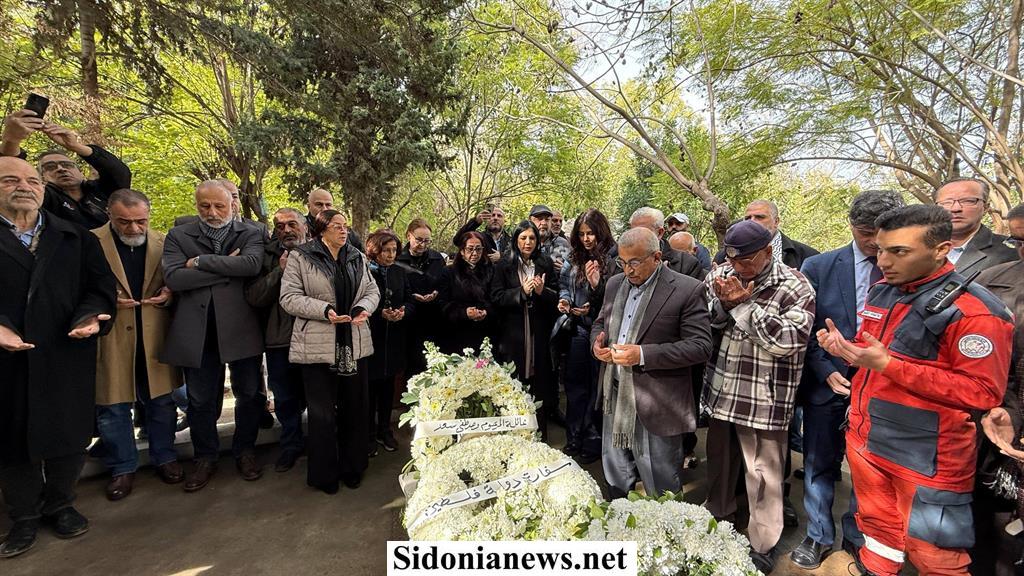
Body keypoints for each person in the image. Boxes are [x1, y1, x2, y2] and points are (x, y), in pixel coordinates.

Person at [818, 204, 1014, 576]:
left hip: (926, 460)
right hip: (867, 442)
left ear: (941, 249)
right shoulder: (883, 291)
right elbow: (871, 350)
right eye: (881, 250)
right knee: (877, 535)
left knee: (935, 556)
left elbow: (982, 392)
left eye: (899, 252)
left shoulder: (976, 312)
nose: (883, 261)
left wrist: (889, 365)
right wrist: (845, 349)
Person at [0, 156, 116, 558]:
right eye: (10, 180)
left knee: (69, 432)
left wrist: (90, 316)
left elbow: (100, 287)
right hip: (7, 359)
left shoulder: (74, 237)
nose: (24, 187)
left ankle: (61, 504)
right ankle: (24, 515)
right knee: (11, 436)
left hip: (65, 349)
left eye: (32, 181)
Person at [790, 190, 904, 569]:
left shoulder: (905, 270)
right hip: (828, 383)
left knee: (868, 470)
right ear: (851, 225)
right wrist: (827, 370)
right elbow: (804, 329)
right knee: (819, 461)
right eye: (864, 232)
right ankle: (818, 534)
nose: (872, 242)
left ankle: (857, 536)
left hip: (883, 387)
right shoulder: (819, 266)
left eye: (880, 233)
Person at [703, 219, 816, 574]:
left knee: (764, 475)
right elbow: (704, 321)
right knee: (720, 466)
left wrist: (742, 306)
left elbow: (786, 341)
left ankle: (763, 543)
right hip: (723, 390)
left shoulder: (795, 285)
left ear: (768, 251)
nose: (738, 267)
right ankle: (718, 522)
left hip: (764, 398)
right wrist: (721, 306)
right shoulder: (721, 274)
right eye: (732, 259)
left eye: (746, 260)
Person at [590, 227, 712, 497]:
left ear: (657, 257)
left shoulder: (687, 289)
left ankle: (664, 524)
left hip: (658, 403)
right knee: (616, 474)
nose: (628, 270)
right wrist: (596, 346)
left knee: (661, 485)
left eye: (634, 262)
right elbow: (600, 323)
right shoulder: (614, 284)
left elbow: (701, 346)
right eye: (622, 262)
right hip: (615, 395)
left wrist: (642, 355)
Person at [162, 180, 266, 491]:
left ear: (232, 205)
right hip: (198, 331)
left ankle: (245, 451)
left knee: (249, 393)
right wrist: (228, 269)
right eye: (205, 206)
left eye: (219, 206)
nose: (212, 212)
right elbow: (174, 278)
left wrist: (200, 262)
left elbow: (251, 265)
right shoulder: (179, 234)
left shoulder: (251, 232)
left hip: (241, 327)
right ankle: (205, 457)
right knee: (200, 399)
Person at [279, 210, 380, 494]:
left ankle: (353, 468)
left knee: (355, 408)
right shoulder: (301, 257)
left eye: (345, 226)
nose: (343, 230)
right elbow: (289, 298)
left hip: (353, 340)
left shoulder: (356, 256)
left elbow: (372, 291)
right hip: (317, 344)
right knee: (322, 415)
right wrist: (325, 311)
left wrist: (363, 308)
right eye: (337, 226)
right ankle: (325, 475)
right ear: (322, 229)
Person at [92, 189, 183, 501]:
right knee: (113, 406)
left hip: (154, 332)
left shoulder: (164, 241)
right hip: (112, 334)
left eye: (140, 221)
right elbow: (74, 287)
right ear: (109, 215)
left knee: (162, 401)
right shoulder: (89, 241)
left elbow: (176, 279)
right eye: (124, 222)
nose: (133, 228)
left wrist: (169, 292)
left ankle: (165, 457)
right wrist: (106, 300)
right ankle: (122, 467)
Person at [972, 203, 1024, 576]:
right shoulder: (992, 280)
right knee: (992, 519)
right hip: (1000, 417)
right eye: (1018, 241)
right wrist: (1007, 411)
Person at [245, 207, 309, 472]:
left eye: (292, 224)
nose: (286, 230)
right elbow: (254, 296)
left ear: (305, 226)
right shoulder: (266, 256)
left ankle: (322, 443)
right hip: (279, 340)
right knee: (284, 397)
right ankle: (291, 446)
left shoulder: (319, 251)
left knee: (317, 395)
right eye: (280, 226)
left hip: (315, 338)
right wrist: (279, 272)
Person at [1, 110, 131, 229]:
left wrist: (76, 146)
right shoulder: (44, 197)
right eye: (50, 167)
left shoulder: (101, 191)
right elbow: (12, 170)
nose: (61, 169)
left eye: (67, 165)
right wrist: (12, 140)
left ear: (80, 172)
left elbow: (121, 173)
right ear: (42, 178)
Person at [491, 220, 559, 439]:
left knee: (539, 382)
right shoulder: (504, 264)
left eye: (532, 238)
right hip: (514, 333)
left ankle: (539, 436)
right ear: (516, 240)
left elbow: (556, 297)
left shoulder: (545, 262)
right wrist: (521, 292)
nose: (528, 242)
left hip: (538, 331)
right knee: (515, 381)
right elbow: (496, 297)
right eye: (523, 238)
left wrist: (541, 291)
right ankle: (514, 436)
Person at [558, 209, 616, 465]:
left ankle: (593, 439)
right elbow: (564, 285)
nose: (586, 239)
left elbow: (614, 297)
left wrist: (594, 291)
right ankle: (573, 436)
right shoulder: (574, 258)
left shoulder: (613, 258)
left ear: (600, 232)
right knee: (575, 386)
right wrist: (565, 301)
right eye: (581, 234)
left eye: (590, 233)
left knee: (596, 388)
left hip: (601, 331)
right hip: (577, 329)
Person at [365, 228, 414, 455]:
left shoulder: (399, 272)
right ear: (375, 250)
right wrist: (379, 314)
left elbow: (409, 300)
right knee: (370, 390)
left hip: (393, 339)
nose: (391, 255)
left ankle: (384, 430)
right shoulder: (365, 271)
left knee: (387, 389)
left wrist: (403, 312)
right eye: (386, 250)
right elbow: (358, 303)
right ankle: (368, 434)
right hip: (371, 339)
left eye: (394, 250)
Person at [934, 178, 1018, 275]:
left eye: (968, 201)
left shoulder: (1013, 251)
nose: (955, 208)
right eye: (946, 202)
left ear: (985, 208)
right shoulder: (921, 249)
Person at [396, 218, 447, 377]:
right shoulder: (397, 258)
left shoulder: (437, 258)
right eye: (419, 240)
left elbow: (444, 283)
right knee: (412, 367)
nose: (423, 245)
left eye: (427, 241)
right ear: (408, 236)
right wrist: (411, 296)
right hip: (409, 321)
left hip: (434, 318)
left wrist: (436, 292)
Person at [713, 200, 819, 269]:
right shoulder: (723, 256)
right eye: (748, 218)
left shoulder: (808, 257)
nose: (752, 222)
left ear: (776, 222)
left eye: (760, 217)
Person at [438, 230, 493, 355]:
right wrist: (464, 312)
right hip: (457, 334)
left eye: (478, 249)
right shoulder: (449, 272)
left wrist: (486, 311)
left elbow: (495, 298)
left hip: (484, 332)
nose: (475, 253)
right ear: (462, 251)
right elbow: (443, 303)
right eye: (470, 249)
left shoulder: (491, 270)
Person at [624, 207, 705, 281]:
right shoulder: (621, 260)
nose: (637, 237)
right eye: (633, 233)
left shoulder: (687, 263)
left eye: (643, 233)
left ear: (660, 233)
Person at [304, 187, 363, 252]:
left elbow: (361, 254)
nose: (324, 209)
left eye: (328, 205)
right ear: (309, 207)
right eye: (319, 204)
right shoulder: (301, 227)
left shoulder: (347, 232)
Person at [529, 204, 571, 274]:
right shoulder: (523, 242)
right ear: (530, 221)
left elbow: (576, 271)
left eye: (547, 219)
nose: (543, 223)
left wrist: (566, 270)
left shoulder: (563, 243)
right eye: (539, 219)